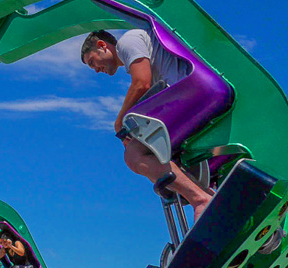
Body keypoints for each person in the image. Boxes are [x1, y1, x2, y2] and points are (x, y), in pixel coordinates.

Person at [81, 29, 212, 220]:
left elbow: (142, 83)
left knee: (134, 155)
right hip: (185, 95)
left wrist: (120, 122)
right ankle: (209, 197)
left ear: (102, 46)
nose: (95, 69)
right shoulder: (140, 54)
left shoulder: (128, 41)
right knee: (153, 157)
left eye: (92, 62)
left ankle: (201, 199)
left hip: (188, 94)